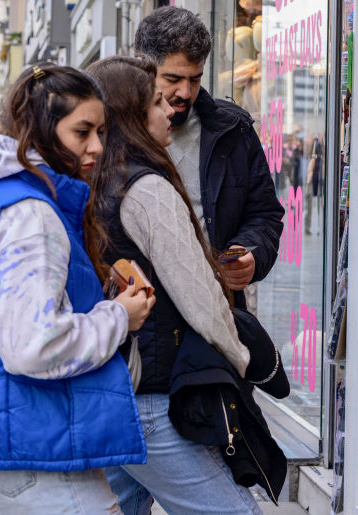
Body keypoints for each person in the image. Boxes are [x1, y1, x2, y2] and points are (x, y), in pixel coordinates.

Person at [0, 64, 153, 513]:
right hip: (35, 443)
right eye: (82, 131)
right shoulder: (30, 214)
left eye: (101, 130)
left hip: (7, 434)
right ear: (41, 129)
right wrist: (120, 315)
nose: (97, 146)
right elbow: (35, 346)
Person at [86, 56, 260, 514]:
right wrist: (238, 357)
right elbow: (198, 293)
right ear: (132, 116)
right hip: (152, 398)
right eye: (159, 102)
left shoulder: (101, 180)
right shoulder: (146, 189)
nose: (171, 112)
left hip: (118, 385)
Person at [134, 6, 283, 301]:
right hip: (144, 319)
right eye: (173, 79)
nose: (186, 92)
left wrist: (249, 254)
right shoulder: (113, 132)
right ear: (142, 66)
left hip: (217, 311)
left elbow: (265, 215)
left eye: (195, 79)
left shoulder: (234, 129)